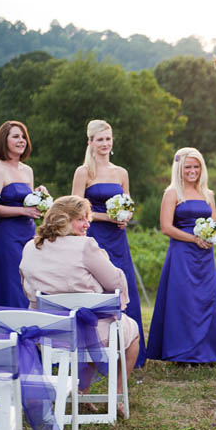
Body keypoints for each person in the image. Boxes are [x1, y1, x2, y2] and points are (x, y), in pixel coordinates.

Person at [19, 195, 140, 413]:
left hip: (48, 332)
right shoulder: (85, 245)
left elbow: (26, 286)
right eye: (81, 219)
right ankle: (117, 397)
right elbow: (115, 282)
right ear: (63, 219)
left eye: (88, 219)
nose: (87, 225)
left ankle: (81, 391)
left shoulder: (30, 246)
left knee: (90, 326)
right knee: (131, 334)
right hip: (87, 329)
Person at [72, 119, 146, 368]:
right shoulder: (84, 172)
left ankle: (128, 349)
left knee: (122, 283)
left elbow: (128, 206)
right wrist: (106, 216)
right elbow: (75, 210)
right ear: (90, 143)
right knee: (95, 287)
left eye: (108, 138)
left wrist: (125, 217)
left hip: (118, 238)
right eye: (100, 139)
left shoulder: (121, 172)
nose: (105, 143)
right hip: (93, 236)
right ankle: (93, 350)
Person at [147, 147, 216, 364]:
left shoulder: (208, 194)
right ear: (179, 169)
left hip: (205, 255)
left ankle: (209, 351)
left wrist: (211, 237)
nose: (192, 171)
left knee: (206, 298)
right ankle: (182, 352)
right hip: (182, 254)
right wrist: (194, 239)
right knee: (183, 300)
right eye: (188, 167)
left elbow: (215, 223)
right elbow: (166, 227)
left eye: (196, 166)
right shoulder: (172, 193)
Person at [0, 121, 44, 307]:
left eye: (23, 136)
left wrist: (40, 197)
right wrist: (22, 210)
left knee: (28, 284)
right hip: (6, 236)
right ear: (3, 140)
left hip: (28, 235)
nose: (21, 140)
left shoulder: (28, 170)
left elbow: (29, 203)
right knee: (10, 285)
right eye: (15, 136)